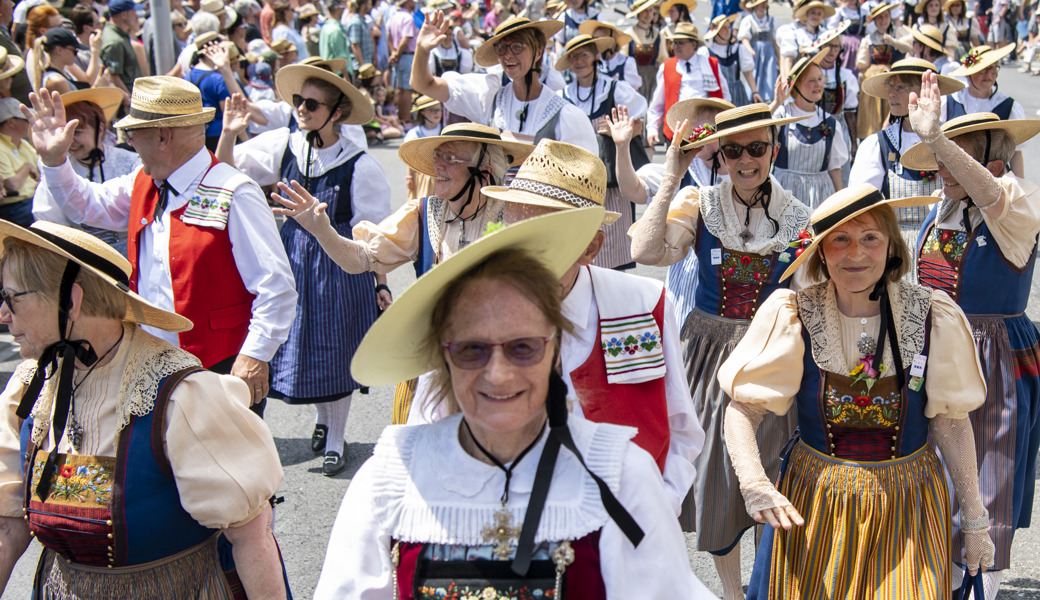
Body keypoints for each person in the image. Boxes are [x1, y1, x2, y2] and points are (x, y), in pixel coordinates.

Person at [313, 207, 715, 598]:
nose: (499, 374)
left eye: (522, 347)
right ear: (444, 357)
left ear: (556, 353)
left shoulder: (621, 476)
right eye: (472, 350)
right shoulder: (391, 478)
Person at [717, 183, 994, 599]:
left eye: (870, 238)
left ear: (892, 247)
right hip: (815, 504)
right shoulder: (794, 314)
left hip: (909, 503)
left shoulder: (932, 314)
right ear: (821, 252)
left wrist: (975, 519)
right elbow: (743, 409)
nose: (856, 253)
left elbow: (951, 423)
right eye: (840, 240)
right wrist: (754, 482)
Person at [0, 221, 290, 598]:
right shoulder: (29, 388)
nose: (4, 315)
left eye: (11, 298)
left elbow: (252, 537)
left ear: (70, 301)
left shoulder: (181, 397)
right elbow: (7, 528)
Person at [629, 105, 812, 600]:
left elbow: (813, 293)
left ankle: (766, 586)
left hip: (771, 354)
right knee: (718, 478)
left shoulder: (798, 217)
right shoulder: (701, 203)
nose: (746, 160)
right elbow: (647, 252)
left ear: (774, 150)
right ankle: (733, 594)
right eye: (733, 150)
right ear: (721, 156)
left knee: (773, 470)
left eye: (757, 148)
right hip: (708, 355)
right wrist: (669, 174)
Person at [27, 77, 297, 410]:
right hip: (152, 361)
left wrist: (255, 354)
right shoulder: (144, 181)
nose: (130, 144)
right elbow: (86, 205)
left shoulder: (233, 191)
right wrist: (54, 162)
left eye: (132, 134)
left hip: (219, 366)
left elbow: (277, 286)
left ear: (163, 136)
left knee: (219, 460)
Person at [272, 122, 531, 426]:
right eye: (438, 157)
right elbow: (360, 259)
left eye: (450, 158)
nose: (437, 166)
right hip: (433, 367)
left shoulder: (516, 217)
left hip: (498, 367)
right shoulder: (423, 213)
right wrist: (322, 230)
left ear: (484, 171)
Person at [903, 74, 1040, 596]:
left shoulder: (1015, 198)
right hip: (935, 352)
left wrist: (938, 138)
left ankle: (982, 586)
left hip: (993, 356)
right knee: (936, 478)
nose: (944, 165)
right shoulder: (942, 209)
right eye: (942, 152)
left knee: (988, 481)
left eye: (958, 152)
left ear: (990, 155)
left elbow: (989, 193)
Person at [217, 65, 388, 476]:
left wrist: (380, 284)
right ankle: (323, 419)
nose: (301, 110)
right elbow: (224, 172)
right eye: (298, 101)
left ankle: (335, 436)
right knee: (304, 345)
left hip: (338, 265)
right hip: (294, 257)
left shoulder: (360, 165)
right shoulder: (285, 145)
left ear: (337, 114)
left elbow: (375, 237)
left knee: (336, 347)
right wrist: (228, 132)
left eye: (312, 104)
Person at [411, 13, 598, 153]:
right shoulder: (489, 97)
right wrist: (422, 50)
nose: (508, 55)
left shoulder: (564, 114)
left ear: (538, 52)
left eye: (517, 46)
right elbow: (423, 85)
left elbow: (582, 180)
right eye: (502, 48)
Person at [556, 34, 649, 270]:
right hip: (577, 178)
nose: (579, 61)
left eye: (584, 55)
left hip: (611, 177)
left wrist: (616, 128)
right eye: (574, 57)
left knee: (614, 236)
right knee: (582, 239)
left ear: (596, 57)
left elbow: (637, 123)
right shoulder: (563, 96)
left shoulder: (615, 89)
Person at [849, 57, 963, 250]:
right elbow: (859, 205)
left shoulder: (952, 141)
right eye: (890, 86)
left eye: (900, 87)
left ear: (927, 89)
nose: (891, 94)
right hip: (897, 246)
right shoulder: (878, 144)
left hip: (946, 244)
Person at [32, 87, 137, 250]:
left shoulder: (130, 162)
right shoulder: (56, 172)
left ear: (100, 129)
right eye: (64, 134)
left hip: (134, 251)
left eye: (77, 132)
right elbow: (49, 221)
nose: (69, 141)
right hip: (84, 257)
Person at [770, 51, 849, 208]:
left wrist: (840, 202)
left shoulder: (830, 122)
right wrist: (776, 103)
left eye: (820, 79)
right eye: (811, 80)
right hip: (785, 193)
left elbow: (834, 167)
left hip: (819, 195)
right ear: (796, 85)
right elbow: (758, 130)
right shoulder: (783, 115)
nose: (818, 84)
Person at [946, 43, 1025, 175]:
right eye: (983, 69)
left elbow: (1016, 153)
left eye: (993, 69)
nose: (988, 74)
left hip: (996, 181)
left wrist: (1021, 189)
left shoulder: (1008, 106)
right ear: (968, 74)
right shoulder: (951, 102)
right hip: (959, 178)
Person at [646, 23, 729, 146]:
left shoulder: (710, 64)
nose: (676, 47)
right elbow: (657, 104)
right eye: (674, 43)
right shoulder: (667, 66)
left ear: (693, 44)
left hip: (707, 132)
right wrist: (652, 129)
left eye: (681, 43)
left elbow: (725, 97)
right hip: (676, 131)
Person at [855, 3, 912, 139]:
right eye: (879, 18)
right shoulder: (869, 39)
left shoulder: (897, 34)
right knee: (872, 116)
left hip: (893, 80)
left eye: (886, 16)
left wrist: (893, 42)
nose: (883, 20)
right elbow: (862, 64)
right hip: (875, 81)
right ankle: (872, 139)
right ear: (874, 21)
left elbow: (909, 48)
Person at [813, 21, 860, 160]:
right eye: (828, 46)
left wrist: (853, 143)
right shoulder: (811, 74)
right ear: (821, 47)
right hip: (813, 129)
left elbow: (850, 113)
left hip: (839, 131)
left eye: (836, 47)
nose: (832, 51)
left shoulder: (846, 76)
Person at [705, 13, 759, 107]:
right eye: (724, 28)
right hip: (719, 94)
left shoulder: (738, 49)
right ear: (717, 32)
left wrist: (755, 92)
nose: (728, 30)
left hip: (737, 93)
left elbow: (748, 73)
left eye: (728, 27)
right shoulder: (708, 52)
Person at [0, 97, 35, 227]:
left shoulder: (24, 144)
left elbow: (42, 173)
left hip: (31, 202)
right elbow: (12, 184)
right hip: (15, 207)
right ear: (11, 122)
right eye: (26, 119)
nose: (30, 122)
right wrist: (27, 167)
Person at [32, 26, 99, 94]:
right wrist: (100, 85)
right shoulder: (57, 81)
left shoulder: (65, 69)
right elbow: (78, 104)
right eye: (74, 51)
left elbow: (88, 81)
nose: (76, 55)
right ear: (59, 50)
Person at [579, 20, 641, 91]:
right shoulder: (593, 62)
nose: (597, 44)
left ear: (612, 41)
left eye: (600, 40)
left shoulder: (626, 62)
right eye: (594, 39)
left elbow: (634, 91)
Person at [736, 0, 779, 103]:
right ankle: (753, 97)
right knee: (754, 75)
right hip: (755, 53)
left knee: (769, 75)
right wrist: (750, 49)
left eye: (765, 3)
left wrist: (779, 57)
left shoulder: (771, 20)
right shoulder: (748, 20)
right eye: (761, 3)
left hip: (769, 54)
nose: (763, 5)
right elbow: (744, 38)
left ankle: (768, 100)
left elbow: (774, 40)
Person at [623, 0, 663, 109]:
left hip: (652, 80)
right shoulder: (629, 34)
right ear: (638, 13)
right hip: (634, 78)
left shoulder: (657, 34)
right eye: (644, 11)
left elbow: (662, 60)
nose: (648, 14)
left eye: (650, 11)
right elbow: (623, 60)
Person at [99, 0, 143, 99]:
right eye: (134, 12)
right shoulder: (115, 41)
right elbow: (113, 76)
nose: (136, 16)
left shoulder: (120, 35)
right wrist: (129, 99)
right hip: (125, 104)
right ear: (124, 15)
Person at [387, 0, 418, 124]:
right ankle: (406, 119)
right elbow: (405, 40)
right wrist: (397, 54)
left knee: (401, 89)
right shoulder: (408, 18)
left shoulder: (393, 17)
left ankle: (402, 117)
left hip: (400, 56)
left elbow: (389, 38)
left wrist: (394, 53)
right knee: (407, 90)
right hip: (406, 56)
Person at [343, 0, 374, 75]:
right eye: (368, 4)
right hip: (359, 68)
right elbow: (355, 46)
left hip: (366, 66)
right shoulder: (355, 22)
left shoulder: (362, 21)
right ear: (363, 6)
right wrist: (363, 67)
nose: (370, 7)